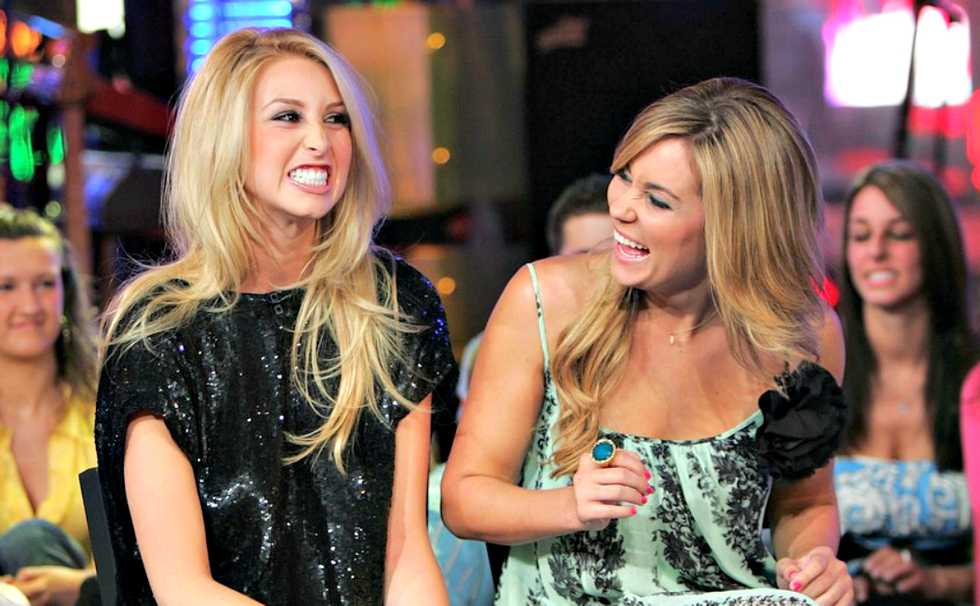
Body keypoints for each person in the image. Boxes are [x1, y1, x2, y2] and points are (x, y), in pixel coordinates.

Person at [442, 77, 853, 605]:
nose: (621, 208)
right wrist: (570, 505)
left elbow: (804, 504)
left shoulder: (802, 335)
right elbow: (465, 498)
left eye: (657, 200)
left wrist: (810, 565)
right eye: (624, 177)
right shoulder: (544, 301)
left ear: (734, 226)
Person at [94, 28, 455, 605]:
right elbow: (183, 588)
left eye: (336, 119)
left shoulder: (394, 302)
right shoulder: (158, 328)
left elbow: (407, 554)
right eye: (288, 117)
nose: (320, 141)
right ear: (224, 140)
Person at [835, 160, 979, 605]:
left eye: (898, 235)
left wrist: (939, 582)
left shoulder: (974, 381)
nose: (876, 252)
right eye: (861, 236)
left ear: (935, 246)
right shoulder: (817, 376)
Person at [0, 206, 100, 605]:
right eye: (6, 287)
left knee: (33, 542)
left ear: (66, 291)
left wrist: (81, 585)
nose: (30, 306)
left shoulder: (106, 408)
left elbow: (152, 551)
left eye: (45, 283)